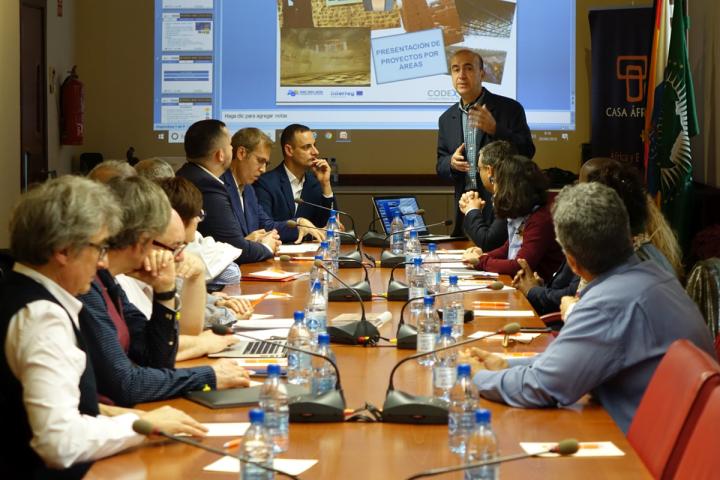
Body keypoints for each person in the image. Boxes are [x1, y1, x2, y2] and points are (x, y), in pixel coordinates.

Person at [461, 182, 715, 433]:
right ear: (627, 236)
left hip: (637, 455)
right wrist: (506, 365)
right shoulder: (654, 276)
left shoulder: (608, 304)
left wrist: (477, 376)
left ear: (572, 262)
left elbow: (542, 387)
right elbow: (572, 362)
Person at [0, 176, 206, 478]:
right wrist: (141, 425)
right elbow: (59, 442)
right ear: (63, 250)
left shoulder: (22, 294)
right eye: (98, 248)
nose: (101, 262)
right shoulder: (42, 317)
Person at [78, 176, 250, 407]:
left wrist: (165, 291)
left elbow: (156, 358)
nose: (181, 257)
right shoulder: (87, 287)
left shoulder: (108, 281)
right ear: (144, 242)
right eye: (176, 247)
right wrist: (208, 376)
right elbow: (124, 384)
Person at [437, 49, 534, 237]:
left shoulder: (509, 108)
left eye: (468, 68)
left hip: (502, 206)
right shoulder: (446, 119)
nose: (461, 75)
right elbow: (439, 164)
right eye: (455, 70)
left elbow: (527, 152)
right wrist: (450, 162)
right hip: (465, 205)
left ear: (482, 73)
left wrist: (496, 130)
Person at [176, 119, 281, 264]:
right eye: (230, 145)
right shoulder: (207, 185)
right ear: (220, 155)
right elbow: (237, 248)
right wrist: (266, 247)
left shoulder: (191, 175)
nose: (233, 149)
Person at [462, 155, 563, 282]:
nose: (494, 188)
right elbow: (508, 248)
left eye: (495, 181)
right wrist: (483, 255)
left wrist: (481, 262)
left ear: (510, 188)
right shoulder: (525, 212)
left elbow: (519, 266)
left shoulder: (540, 220)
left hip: (539, 293)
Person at [223, 127, 324, 244]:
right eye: (260, 161)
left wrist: (299, 223)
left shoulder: (248, 189)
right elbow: (226, 243)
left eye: (266, 163)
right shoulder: (220, 186)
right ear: (241, 153)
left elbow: (266, 225)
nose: (263, 169)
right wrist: (250, 244)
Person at [254, 123, 338, 230]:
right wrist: (304, 232)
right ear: (289, 150)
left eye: (314, 145)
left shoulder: (315, 183)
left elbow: (331, 226)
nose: (316, 152)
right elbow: (264, 227)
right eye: (307, 147)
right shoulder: (266, 183)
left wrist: (326, 184)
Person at [458, 140, 514, 251]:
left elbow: (488, 243)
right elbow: (489, 237)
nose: (479, 173)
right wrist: (473, 212)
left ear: (489, 170)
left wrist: (472, 211)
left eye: (479, 169)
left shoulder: (509, 198)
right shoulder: (501, 195)